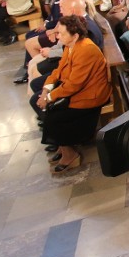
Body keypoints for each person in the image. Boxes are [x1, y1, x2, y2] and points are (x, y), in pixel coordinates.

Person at [33, 15, 111, 174]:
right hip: (77, 89)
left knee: (53, 114)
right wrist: (46, 90)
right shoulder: (70, 46)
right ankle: (63, 145)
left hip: (91, 95)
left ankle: (70, 154)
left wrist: (48, 98)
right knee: (37, 101)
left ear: (75, 35)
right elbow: (57, 71)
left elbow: (75, 84)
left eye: (61, 33)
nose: (57, 36)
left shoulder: (86, 49)